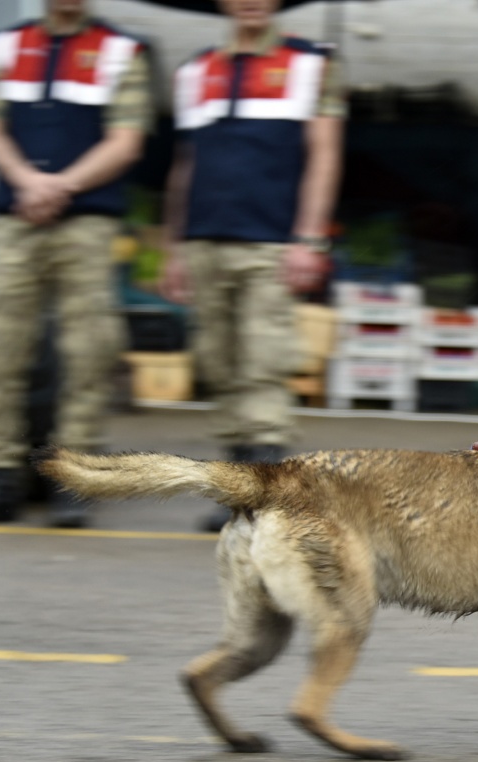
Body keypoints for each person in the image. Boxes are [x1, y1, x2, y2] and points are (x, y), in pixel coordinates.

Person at [0, 0, 150, 526]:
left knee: (87, 353)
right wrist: (27, 181)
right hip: (16, 220)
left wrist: (60, 185)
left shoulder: (121, 51)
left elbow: (126, 141)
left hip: (85, 222)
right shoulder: (7, 46)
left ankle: (72, 482)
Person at [160, 0, 344, 532]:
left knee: (261, 366)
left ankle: (265, 499)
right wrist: (174, 246)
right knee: (220, 367)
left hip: (271, 243)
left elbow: (325, 153)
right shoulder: (197, 69)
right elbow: (186, 164)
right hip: (205, 240)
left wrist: (309, 238)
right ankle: (238, 492)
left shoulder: (311, 63)